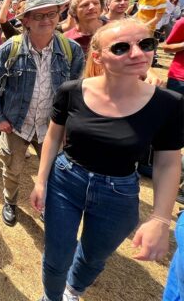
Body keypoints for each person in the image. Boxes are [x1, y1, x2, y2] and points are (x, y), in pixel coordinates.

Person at [31, 19, 184, 301]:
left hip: (119, 191)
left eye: (145, 44)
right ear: (98, 57)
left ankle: (73, 291)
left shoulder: (169, 104)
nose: (137, 54)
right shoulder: (72, 90)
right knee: (56, 255)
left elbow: (168, 162)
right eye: (122, 48)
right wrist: (41, 180)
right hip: (66, 181)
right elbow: (53, 137)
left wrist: (161, 219)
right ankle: (51, 298)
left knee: (93, 257)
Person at [0, 0, 84, 227]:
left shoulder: (72, 51)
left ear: (59, 15)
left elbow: (78, 94)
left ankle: (44, 205)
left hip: (52, 128)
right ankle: (10, 201)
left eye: (51, 14)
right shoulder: (9, 49)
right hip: (15, 125)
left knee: (52, 171)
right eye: (38, 15)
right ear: (26, 20)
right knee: (12, 168)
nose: (46, 20)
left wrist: (69, 127)